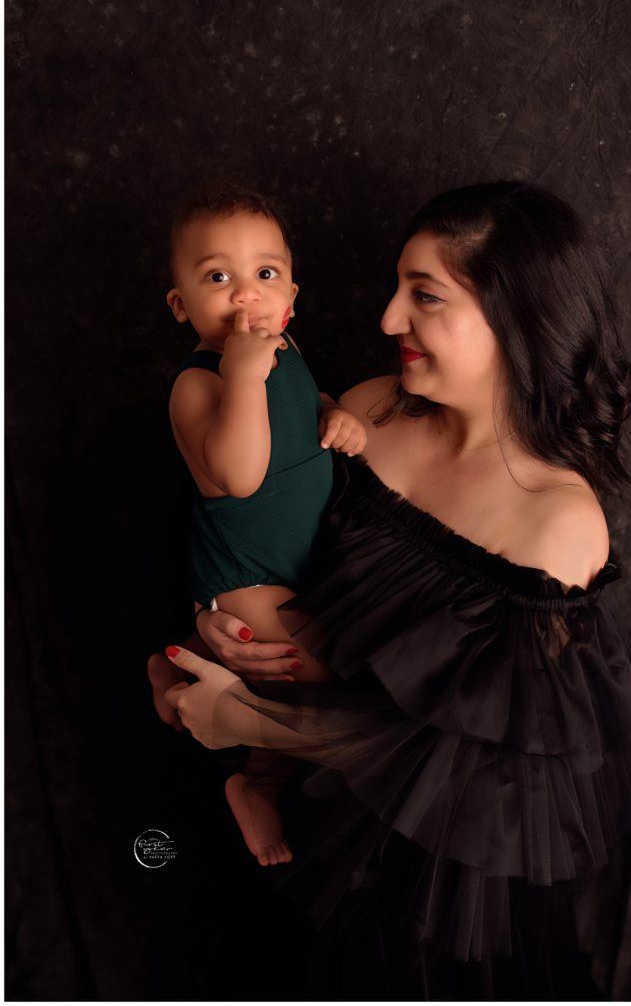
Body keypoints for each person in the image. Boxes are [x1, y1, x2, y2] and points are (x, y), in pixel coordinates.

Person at [158, 181, 631, 999]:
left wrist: (249, 720)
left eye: (423, 296)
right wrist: (214, 622)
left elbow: (481, 771)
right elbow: (265, 541)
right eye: (398, 289)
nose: (388, 319)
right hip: (290, 835)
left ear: (512, 315)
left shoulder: (557, 526)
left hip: (419, 893)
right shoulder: (368, 410)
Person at [147, 183, 367, 867]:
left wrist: (335, 412)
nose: (246, 294)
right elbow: (238, 474)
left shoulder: (287, 346)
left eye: (264, 275)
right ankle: (256, 781)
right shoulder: (200, 383)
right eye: (219, 277)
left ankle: (177, 667)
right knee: (309, 675)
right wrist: (242, 378)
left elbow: (302, 402)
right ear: (181, 305)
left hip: (301, 561)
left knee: (297, 676)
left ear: (291, 295)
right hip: (249, 573)